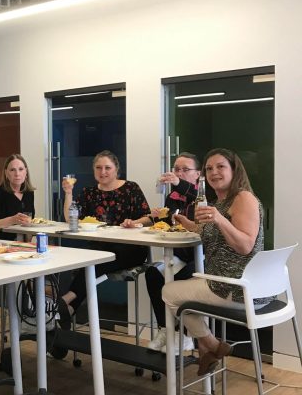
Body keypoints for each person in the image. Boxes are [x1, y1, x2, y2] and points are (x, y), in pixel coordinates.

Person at [162, 148, 264, 376]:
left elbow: (245, 245)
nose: (214, 172)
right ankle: (207, 349)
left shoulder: (243, 198)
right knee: (184, 298)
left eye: (220, 167)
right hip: (229, 283)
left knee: (169, 293)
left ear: (234, 170)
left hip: (236, 288)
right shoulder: (221, 202)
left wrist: (218, 219)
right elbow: (211, 233)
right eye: (209, 168)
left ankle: (213, 345)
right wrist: (188, 223)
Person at [57, 150, 151, 329]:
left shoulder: (131, 188)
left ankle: (66, 300)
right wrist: (68, 193)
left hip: (131, 249)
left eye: (108, 167)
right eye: (98, 168)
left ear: (116, 169)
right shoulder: (89, 192)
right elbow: (70, 219)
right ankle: (67, 309)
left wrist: (134, 223)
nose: (103, 172)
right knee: (88, 261)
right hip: (101, 248)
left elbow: (148, 218)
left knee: (93, 263)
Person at [145, 152, 201, 354]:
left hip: (203, 256)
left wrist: (178, 183)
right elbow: (169, 223)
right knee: (153, 274)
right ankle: (166, 329)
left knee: (182, 279)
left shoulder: (205, 194)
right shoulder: (173, 197)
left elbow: (196, 197)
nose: (179, 173)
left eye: (185, 169)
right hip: (180, 254)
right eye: (176, 169)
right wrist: (157, 218)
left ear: (198, 174)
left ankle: (186, 335)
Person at [0, 154, 35, 240]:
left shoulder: (29, 193)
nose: (17, 174)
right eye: (12, 170)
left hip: (22, 243)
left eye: (21, 169)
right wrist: (12, 220)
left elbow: (30, 221)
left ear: (26, 172)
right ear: (6, 173)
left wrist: (29, 244)